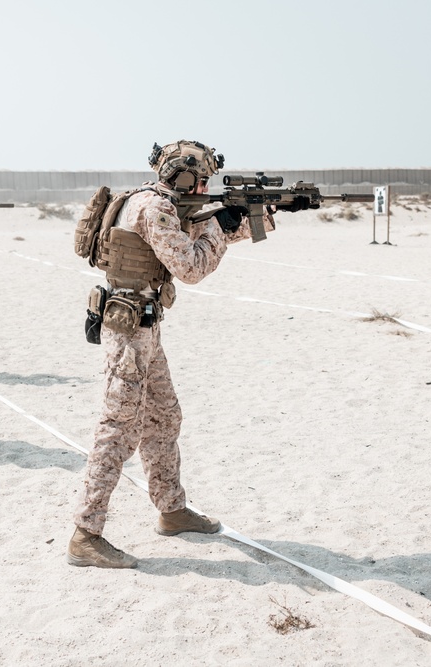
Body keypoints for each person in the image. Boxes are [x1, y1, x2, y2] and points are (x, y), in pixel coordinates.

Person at [67, 140, 286, 568]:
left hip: (143, 326)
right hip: (129, 331)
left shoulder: (152, 201)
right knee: (118, 430)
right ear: (184, 176)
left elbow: (190, 239)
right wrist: (221, 226)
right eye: (202, 179)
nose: (204, 187)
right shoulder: (155, 209)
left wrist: (254, 218)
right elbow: (191, 266)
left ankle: (171, 510)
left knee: (164, 417)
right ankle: (85, 534)